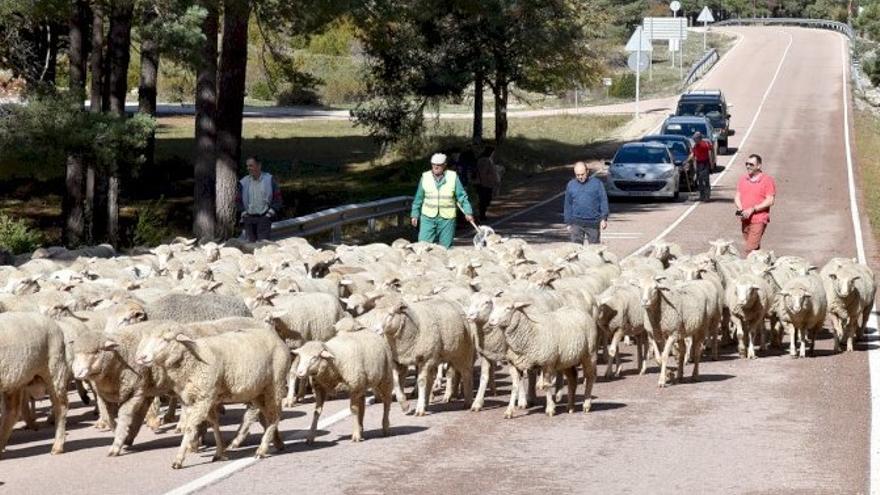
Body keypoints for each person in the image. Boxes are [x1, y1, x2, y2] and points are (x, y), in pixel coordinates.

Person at [410, 153, 475, 248]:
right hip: (428, 217)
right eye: (433, 164)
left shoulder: (453, 177)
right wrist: (414, 214)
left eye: (438, 165)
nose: (435, 167)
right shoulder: (425, 177)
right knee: (422, 246)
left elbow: (462, 196)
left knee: (446, 248)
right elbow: (418, 198)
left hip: (447, 218)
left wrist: (468, 212)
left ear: (444, 165)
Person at [734, 153, 776, 253]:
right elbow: (737, 196)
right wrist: (740, 209)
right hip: (745, 219)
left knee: (749, 248)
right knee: (754, 248)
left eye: (751, 164)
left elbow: (770, 200)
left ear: (759, 166)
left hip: (759, 219)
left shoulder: (767, 180)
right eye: (747, 164)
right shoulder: (743, 179)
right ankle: (760, 265)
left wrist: (753, 209)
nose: (748, 166)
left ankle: (748, 268)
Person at [236, 156, 283, 242]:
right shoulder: (244, 182)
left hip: (264, 218)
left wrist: (269, 214)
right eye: (247, 166)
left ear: (259, 166)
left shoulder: (269, 180)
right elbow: (238, 200)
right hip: (249, 219)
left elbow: (278, 199)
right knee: (250, 248)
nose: (248, 168)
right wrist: (244, 213)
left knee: (263, 248)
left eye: (251, 166)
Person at [564, 161, 608, 245]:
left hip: (593, 223)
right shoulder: (571, 185)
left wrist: (603, 218)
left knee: (594, 251)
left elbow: (603, 200)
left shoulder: (597, 184)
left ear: (587, 171)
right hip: (576, 223)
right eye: (577, 175)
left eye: (582, 174)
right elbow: (568, 204)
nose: (580, 177)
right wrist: (568, 222)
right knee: (575, 250)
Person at [473, 146, 499, 222]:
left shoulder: (488, 160)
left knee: (486, 199)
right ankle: (481, 215)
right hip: (484, 183)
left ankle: (482, 214)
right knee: (484, 199)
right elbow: (483, 172)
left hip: (487, 183)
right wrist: (484, 182)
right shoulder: (484, 160)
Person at [688, 131, 713, 201]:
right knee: (700, 181)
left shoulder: (705, 144)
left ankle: (707, 196)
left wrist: (711, 165)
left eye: (695, 139)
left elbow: (710, 154)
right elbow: (693, 154)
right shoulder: (696, 146)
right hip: (699, 164)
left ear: (698, 138)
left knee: (705, 180)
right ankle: (702, 196)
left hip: (705, 164)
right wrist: (687, 161)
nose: (694, 140)